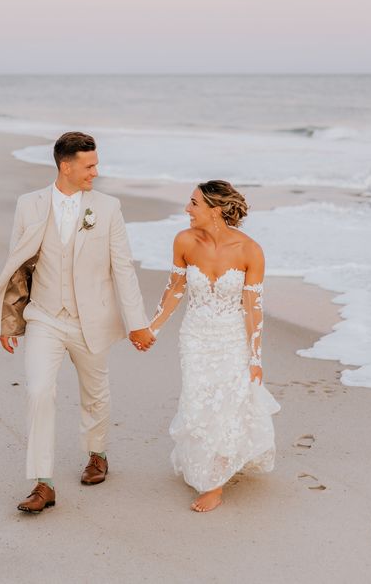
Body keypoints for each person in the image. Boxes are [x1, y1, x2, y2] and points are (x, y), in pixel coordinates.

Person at [0, 131, 155, 512]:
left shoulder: (108, 208)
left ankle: (97, 453)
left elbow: (123, 267)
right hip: (44, 316)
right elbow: (17, 267)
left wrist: (137, 323)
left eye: (95, 164)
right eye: (89, 165)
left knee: (94, 393)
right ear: (67, 166)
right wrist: (8, 321)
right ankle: (42, 483)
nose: (96, 171)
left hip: (90, 318)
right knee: (38, 390)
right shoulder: (28, 205)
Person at [148, 180, 280, 512]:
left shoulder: (250, 250)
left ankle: (214, 483)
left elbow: (253, 307)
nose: (187, 210)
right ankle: (209, 463)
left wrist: (255, 357)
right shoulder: (184, 241)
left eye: (193, 203)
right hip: (195, 336)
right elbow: (174, 290)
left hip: (232, 337)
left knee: (226, 405)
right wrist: (152, 329)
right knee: (197, 401)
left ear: (215, 210)